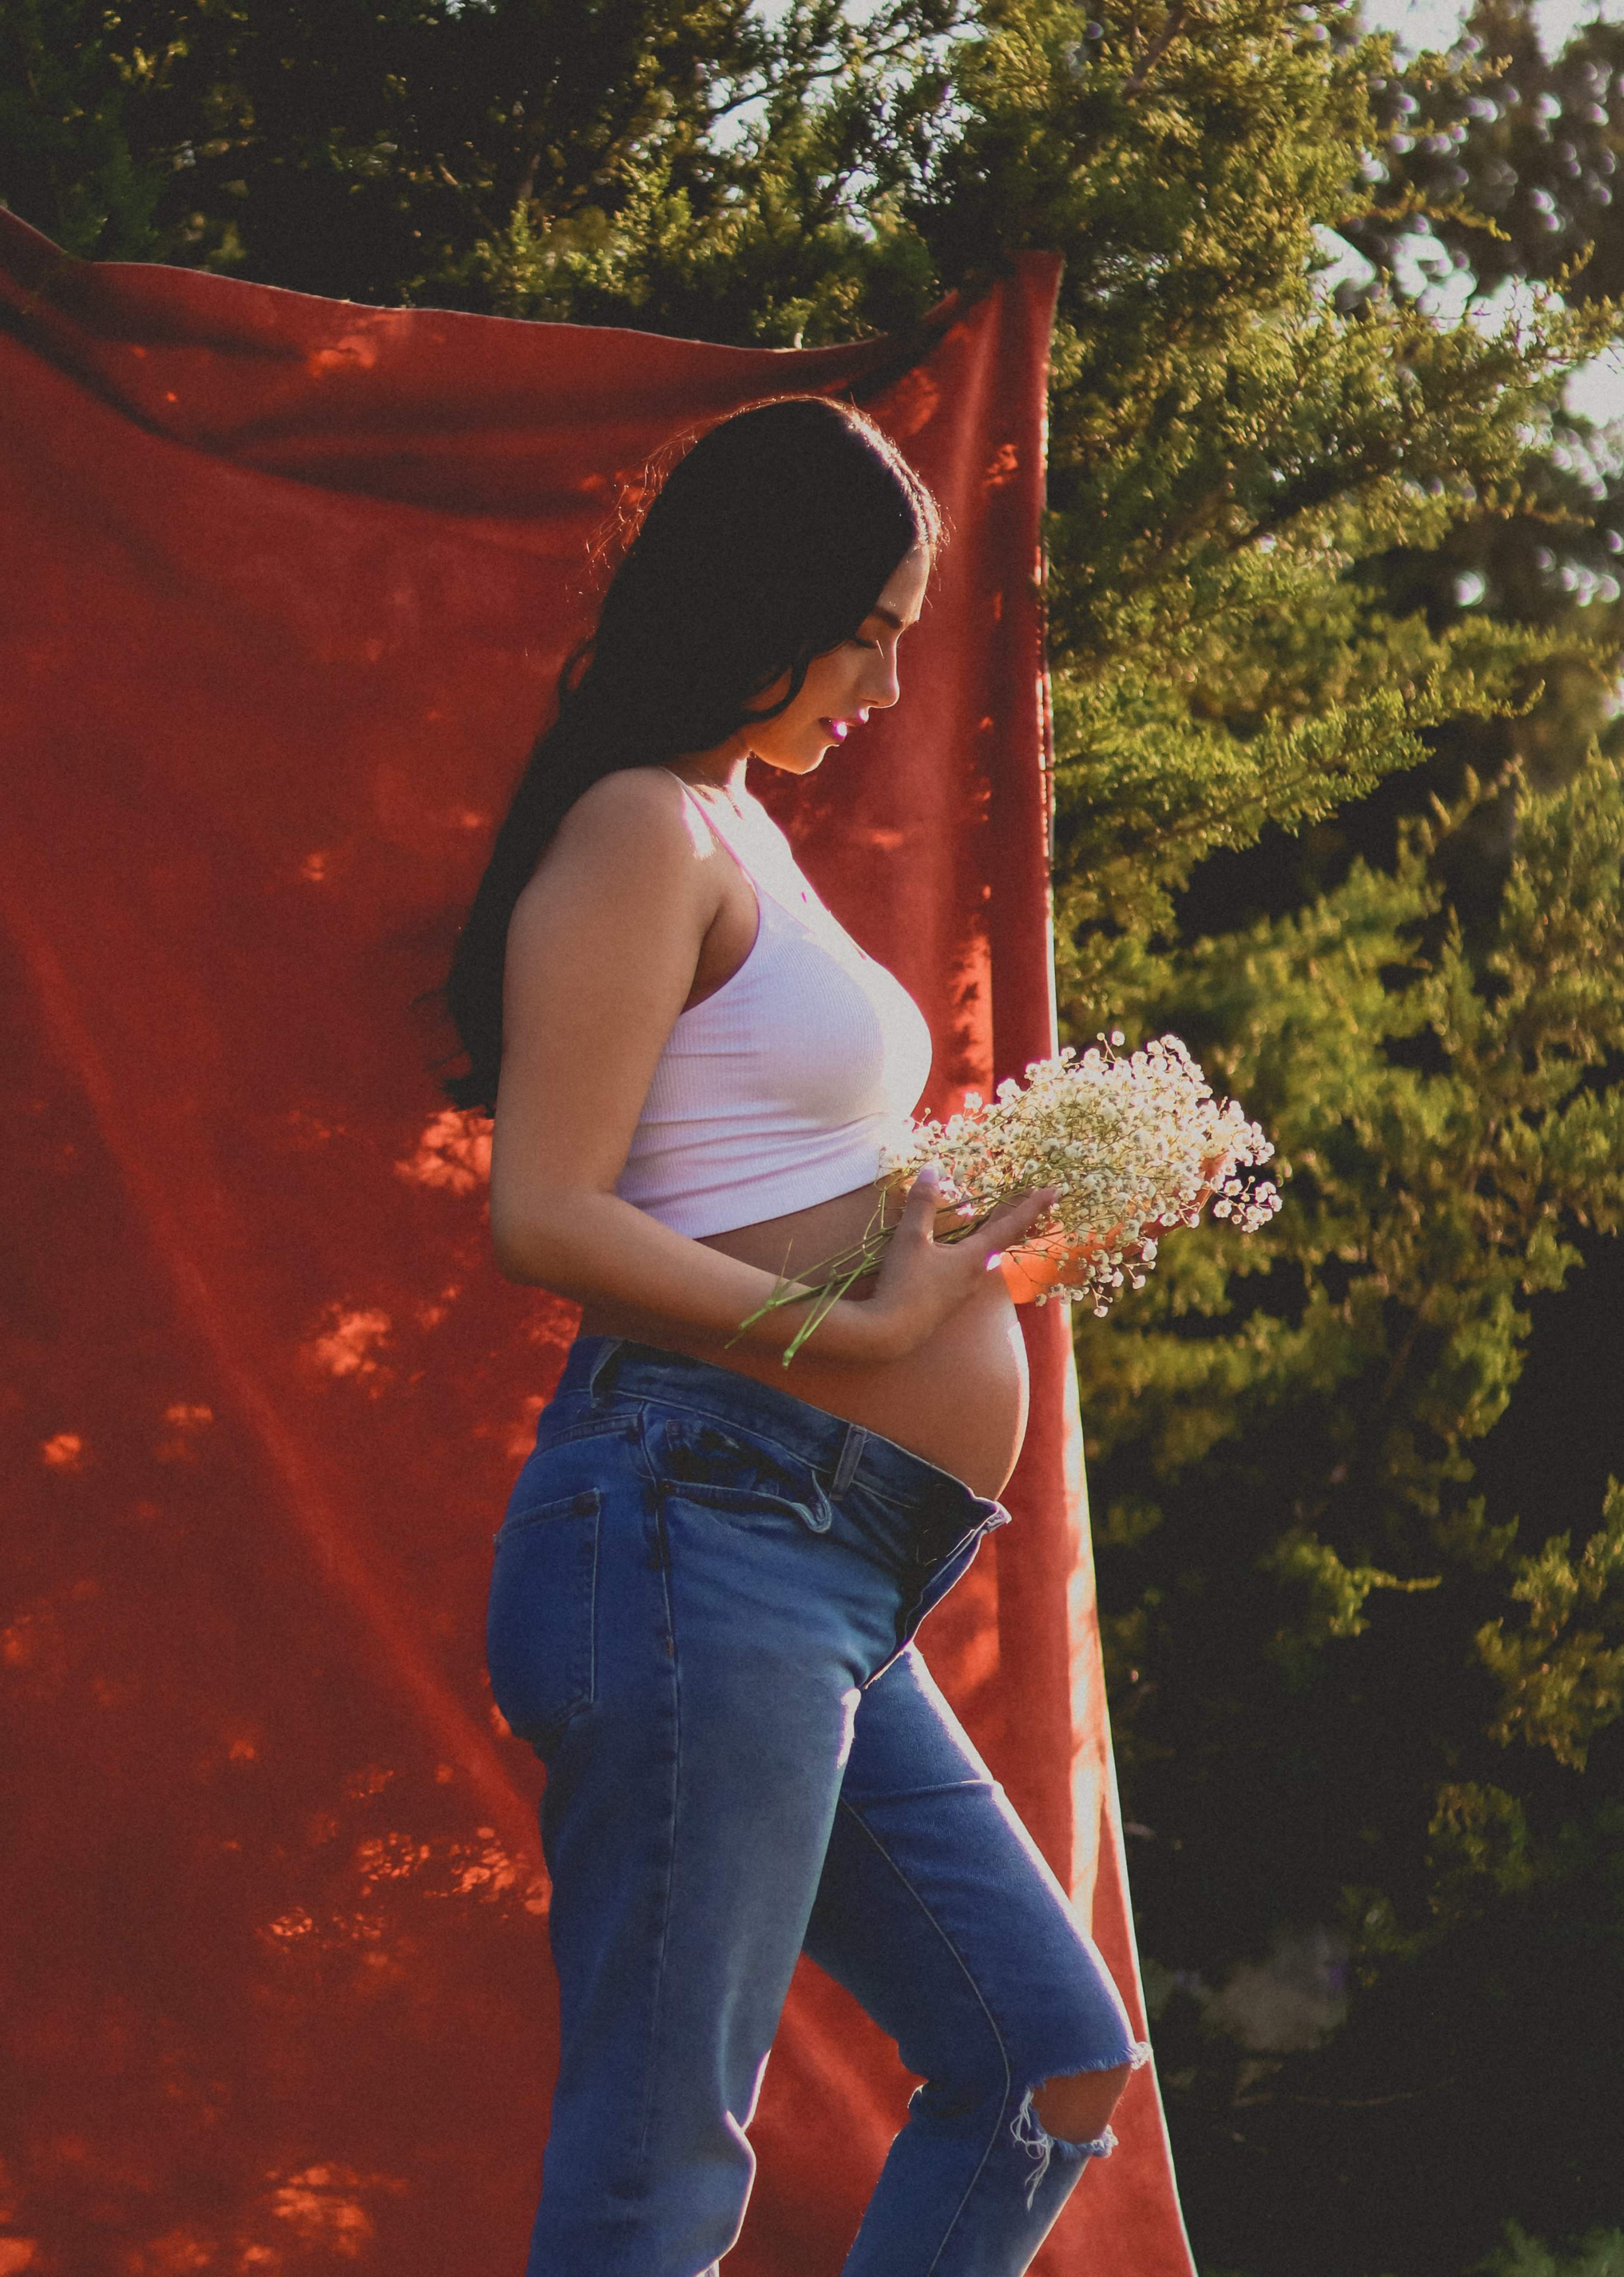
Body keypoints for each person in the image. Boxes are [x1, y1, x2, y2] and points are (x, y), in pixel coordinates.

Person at [439, 395, 1148, 2277]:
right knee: (661, 2163)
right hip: (701, 1524)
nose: (890, 674)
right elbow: (548, 1211)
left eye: (909, 628)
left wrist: (985, 1230)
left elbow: (779, 1171)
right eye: (866, 624)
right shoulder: (637, 827)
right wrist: (869, 1318)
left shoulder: (742, 829)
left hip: (824, 1554)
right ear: (762, 597)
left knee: (1044, 2055)